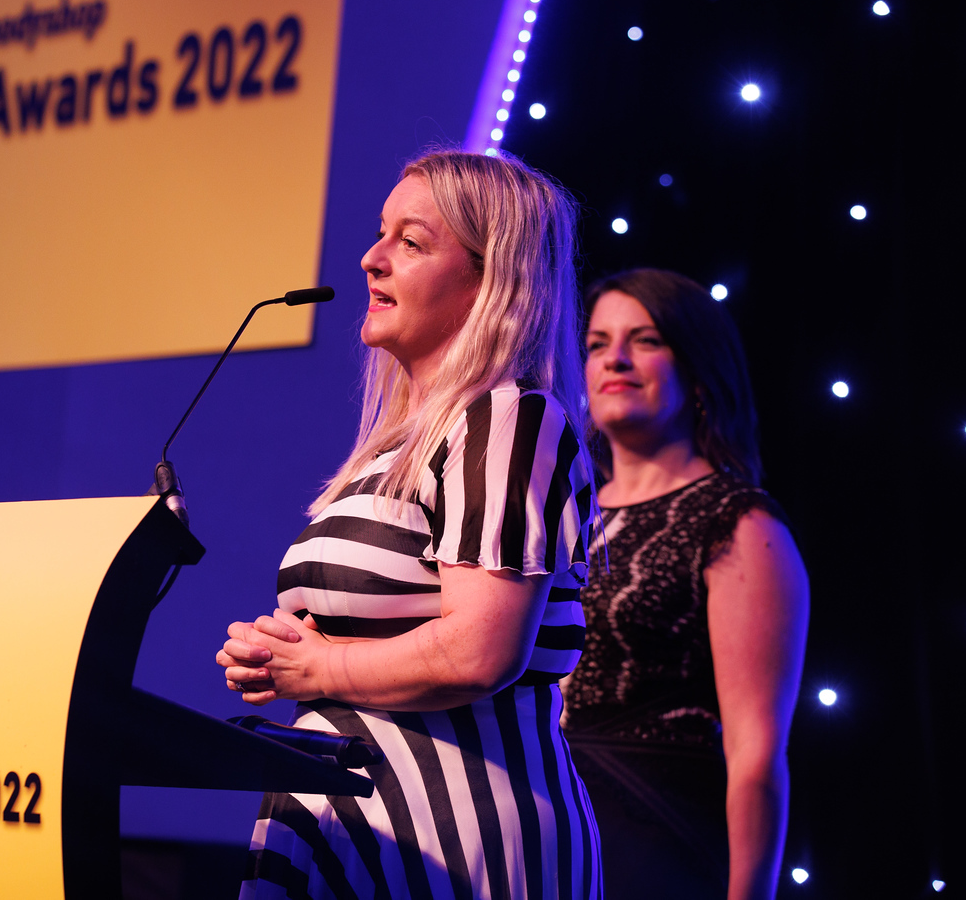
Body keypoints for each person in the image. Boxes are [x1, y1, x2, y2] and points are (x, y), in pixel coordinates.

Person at [217, 150, 604, 900]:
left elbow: (480, 651)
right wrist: (280, 652)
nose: (372, 258)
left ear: (491, 280)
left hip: (454, 838)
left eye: (412, 242)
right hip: (345, 826)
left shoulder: (508, 418)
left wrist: (319, 668)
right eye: (380, 233)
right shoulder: (393, 449)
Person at [560, 268, 809, 900]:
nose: (615, 359)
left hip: (653, 841)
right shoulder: (562, 518)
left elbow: (755, 754)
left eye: (645, 340)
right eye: (597, 344)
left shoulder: (738, 523)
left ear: (698, 371)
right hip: (546, 834)